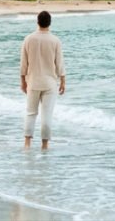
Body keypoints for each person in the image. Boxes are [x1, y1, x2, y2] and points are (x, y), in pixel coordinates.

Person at [20, 10, 66, 150]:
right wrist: (63, 80)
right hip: (49, 83)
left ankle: (27, 143)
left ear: (37, 22)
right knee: (47, 115)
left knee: (31, 113)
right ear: (49, 23)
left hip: (33, 81)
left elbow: (23, 63)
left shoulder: (28, 39)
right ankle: (44, 145)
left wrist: (23, 81)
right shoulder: (55, 40)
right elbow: (59, 63)